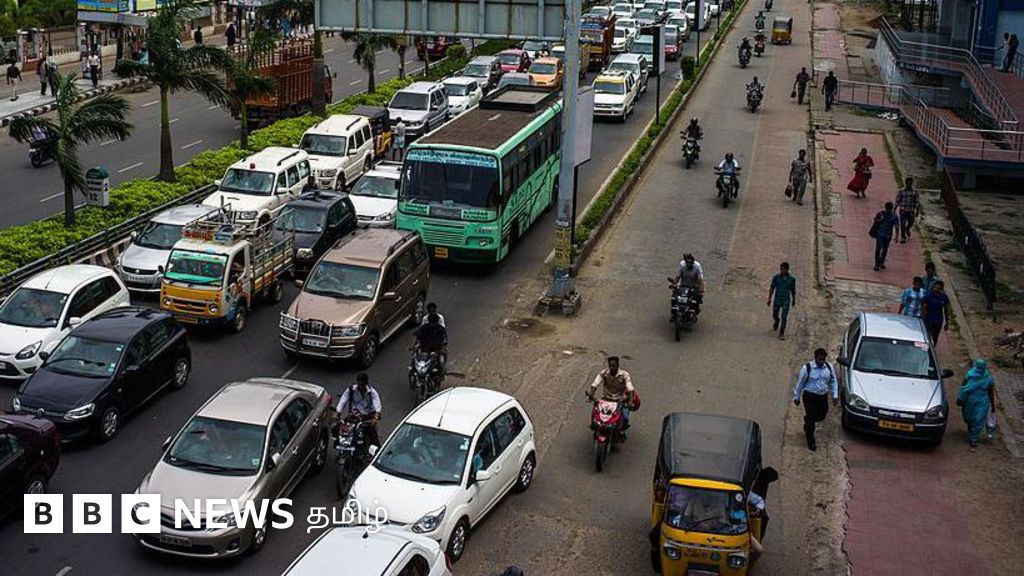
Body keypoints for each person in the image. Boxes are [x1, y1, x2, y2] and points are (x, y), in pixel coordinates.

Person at [792, 348, 838, 451]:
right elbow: (800, 383)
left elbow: (833, 381)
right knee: (812, 420)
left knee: (822, 415)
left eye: (823, 359)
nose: (821, 362)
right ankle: (810, 440)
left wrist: (835, 395)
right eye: (819, 359)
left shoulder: (829, 368)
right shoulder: (807, 368)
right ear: (815, 358)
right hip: (810, 397)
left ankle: (807, 421)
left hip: (822, 396)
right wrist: (797, 397)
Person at [588, 356, 635, 431]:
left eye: (613, 366)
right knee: (595, 413)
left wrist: (631, 401)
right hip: (606, 399)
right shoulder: (604, 373)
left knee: (625, 418)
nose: (611, 368)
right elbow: (595, 384)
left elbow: (630, 389)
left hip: (619, 401)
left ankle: (621, 431)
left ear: (617, 365)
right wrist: (591, 394)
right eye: (610, 366)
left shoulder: (624, 375)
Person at [335, 372, 382, 447]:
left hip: (367, 418)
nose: (361, 387)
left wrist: (375, 418)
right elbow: (342, 401)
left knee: (372, 434)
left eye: (362, 384)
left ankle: (377, 451)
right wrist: (338, 412)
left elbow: (378, 407)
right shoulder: (350, 390)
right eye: (359, 384)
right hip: (354, 416)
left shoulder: (372, 393)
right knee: (338, 428)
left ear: (366, 384)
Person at [957, 359, 995, 449]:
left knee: (978, 419)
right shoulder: (969, 375)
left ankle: (974, 439)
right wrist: (960, 399)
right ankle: (971, 432)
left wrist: (992, 405)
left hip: (982, 402)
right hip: (969, 401)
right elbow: (963, 387)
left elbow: (990, 392)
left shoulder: (988, 378)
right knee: (969, 418)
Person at [767, 261, 796, 340]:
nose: (781, 271)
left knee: (784, 316)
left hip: (786, 300)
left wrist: (794, 300)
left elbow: (793, 290)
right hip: (777, 299)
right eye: (781, 269)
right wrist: (769, 298)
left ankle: (781, 332)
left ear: (787, 270)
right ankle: (777, 321)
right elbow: (772, 288)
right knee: (775, 314)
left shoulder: (792, 279)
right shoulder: (776, 278)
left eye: (783, 269)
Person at [870, 202, 899, 271]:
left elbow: (897, 226)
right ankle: (877, 264)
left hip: (887, 235)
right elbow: (875, 220)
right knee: (878, 249)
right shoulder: (881, 214)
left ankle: (882, 262)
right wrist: (880, 219)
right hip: (880, 234)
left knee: (884, 249)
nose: (888, 210)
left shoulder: (894, 216)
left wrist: (897, 236)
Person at [921, 280, 950, 345]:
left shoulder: (944, 298)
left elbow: (946, 310)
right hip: (928, 320)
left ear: (941, 289)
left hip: (938, 321)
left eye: (938, 288)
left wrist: (947, 322)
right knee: (927, 336)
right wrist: (922, 319)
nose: (936, 289)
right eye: (935, 287)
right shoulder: (928, 296)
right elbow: (923, 308)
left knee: (935, 337)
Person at [894, 177, 921, 243]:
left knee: (911, 222)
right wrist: (895, 208)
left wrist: (917, 210)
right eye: (908, 183)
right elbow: (898, 200)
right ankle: (903, 237)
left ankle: (907, 229)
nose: (909, 184)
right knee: (902, 223)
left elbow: (917, 201)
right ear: (906, 183)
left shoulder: (915, 191)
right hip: (903, 210)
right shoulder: (901, 191)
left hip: (911, 210)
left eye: (910, 183)